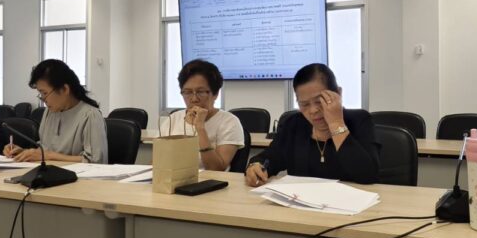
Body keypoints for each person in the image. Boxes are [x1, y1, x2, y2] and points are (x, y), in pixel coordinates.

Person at [245, 63, 379, 186]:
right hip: (301, 202)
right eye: (304, 104)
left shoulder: (359, 120)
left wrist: (336, 123)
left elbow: (368, 175)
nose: (313, 110)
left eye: (319, 101)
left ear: (338, 93)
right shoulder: (293, 124)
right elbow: (270, 158)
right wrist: (255, 166)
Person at [5, 59, 107, 163]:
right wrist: (24, 153)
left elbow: (95, 161)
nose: (43, 99)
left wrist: (49, 155)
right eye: (40, 94)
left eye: (45, 93)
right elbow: (44, 150)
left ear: (65, 89)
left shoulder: (90, 115)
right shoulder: (49, 112)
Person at [160, 59, 244, 171]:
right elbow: (157, 162)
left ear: (215, 94)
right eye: (188, 92)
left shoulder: (229, 122)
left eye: (201, 92)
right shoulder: (173, 119)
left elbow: (216, 169)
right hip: (174, 178)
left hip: (210, 180)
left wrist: (200, 128)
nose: (194, 99)